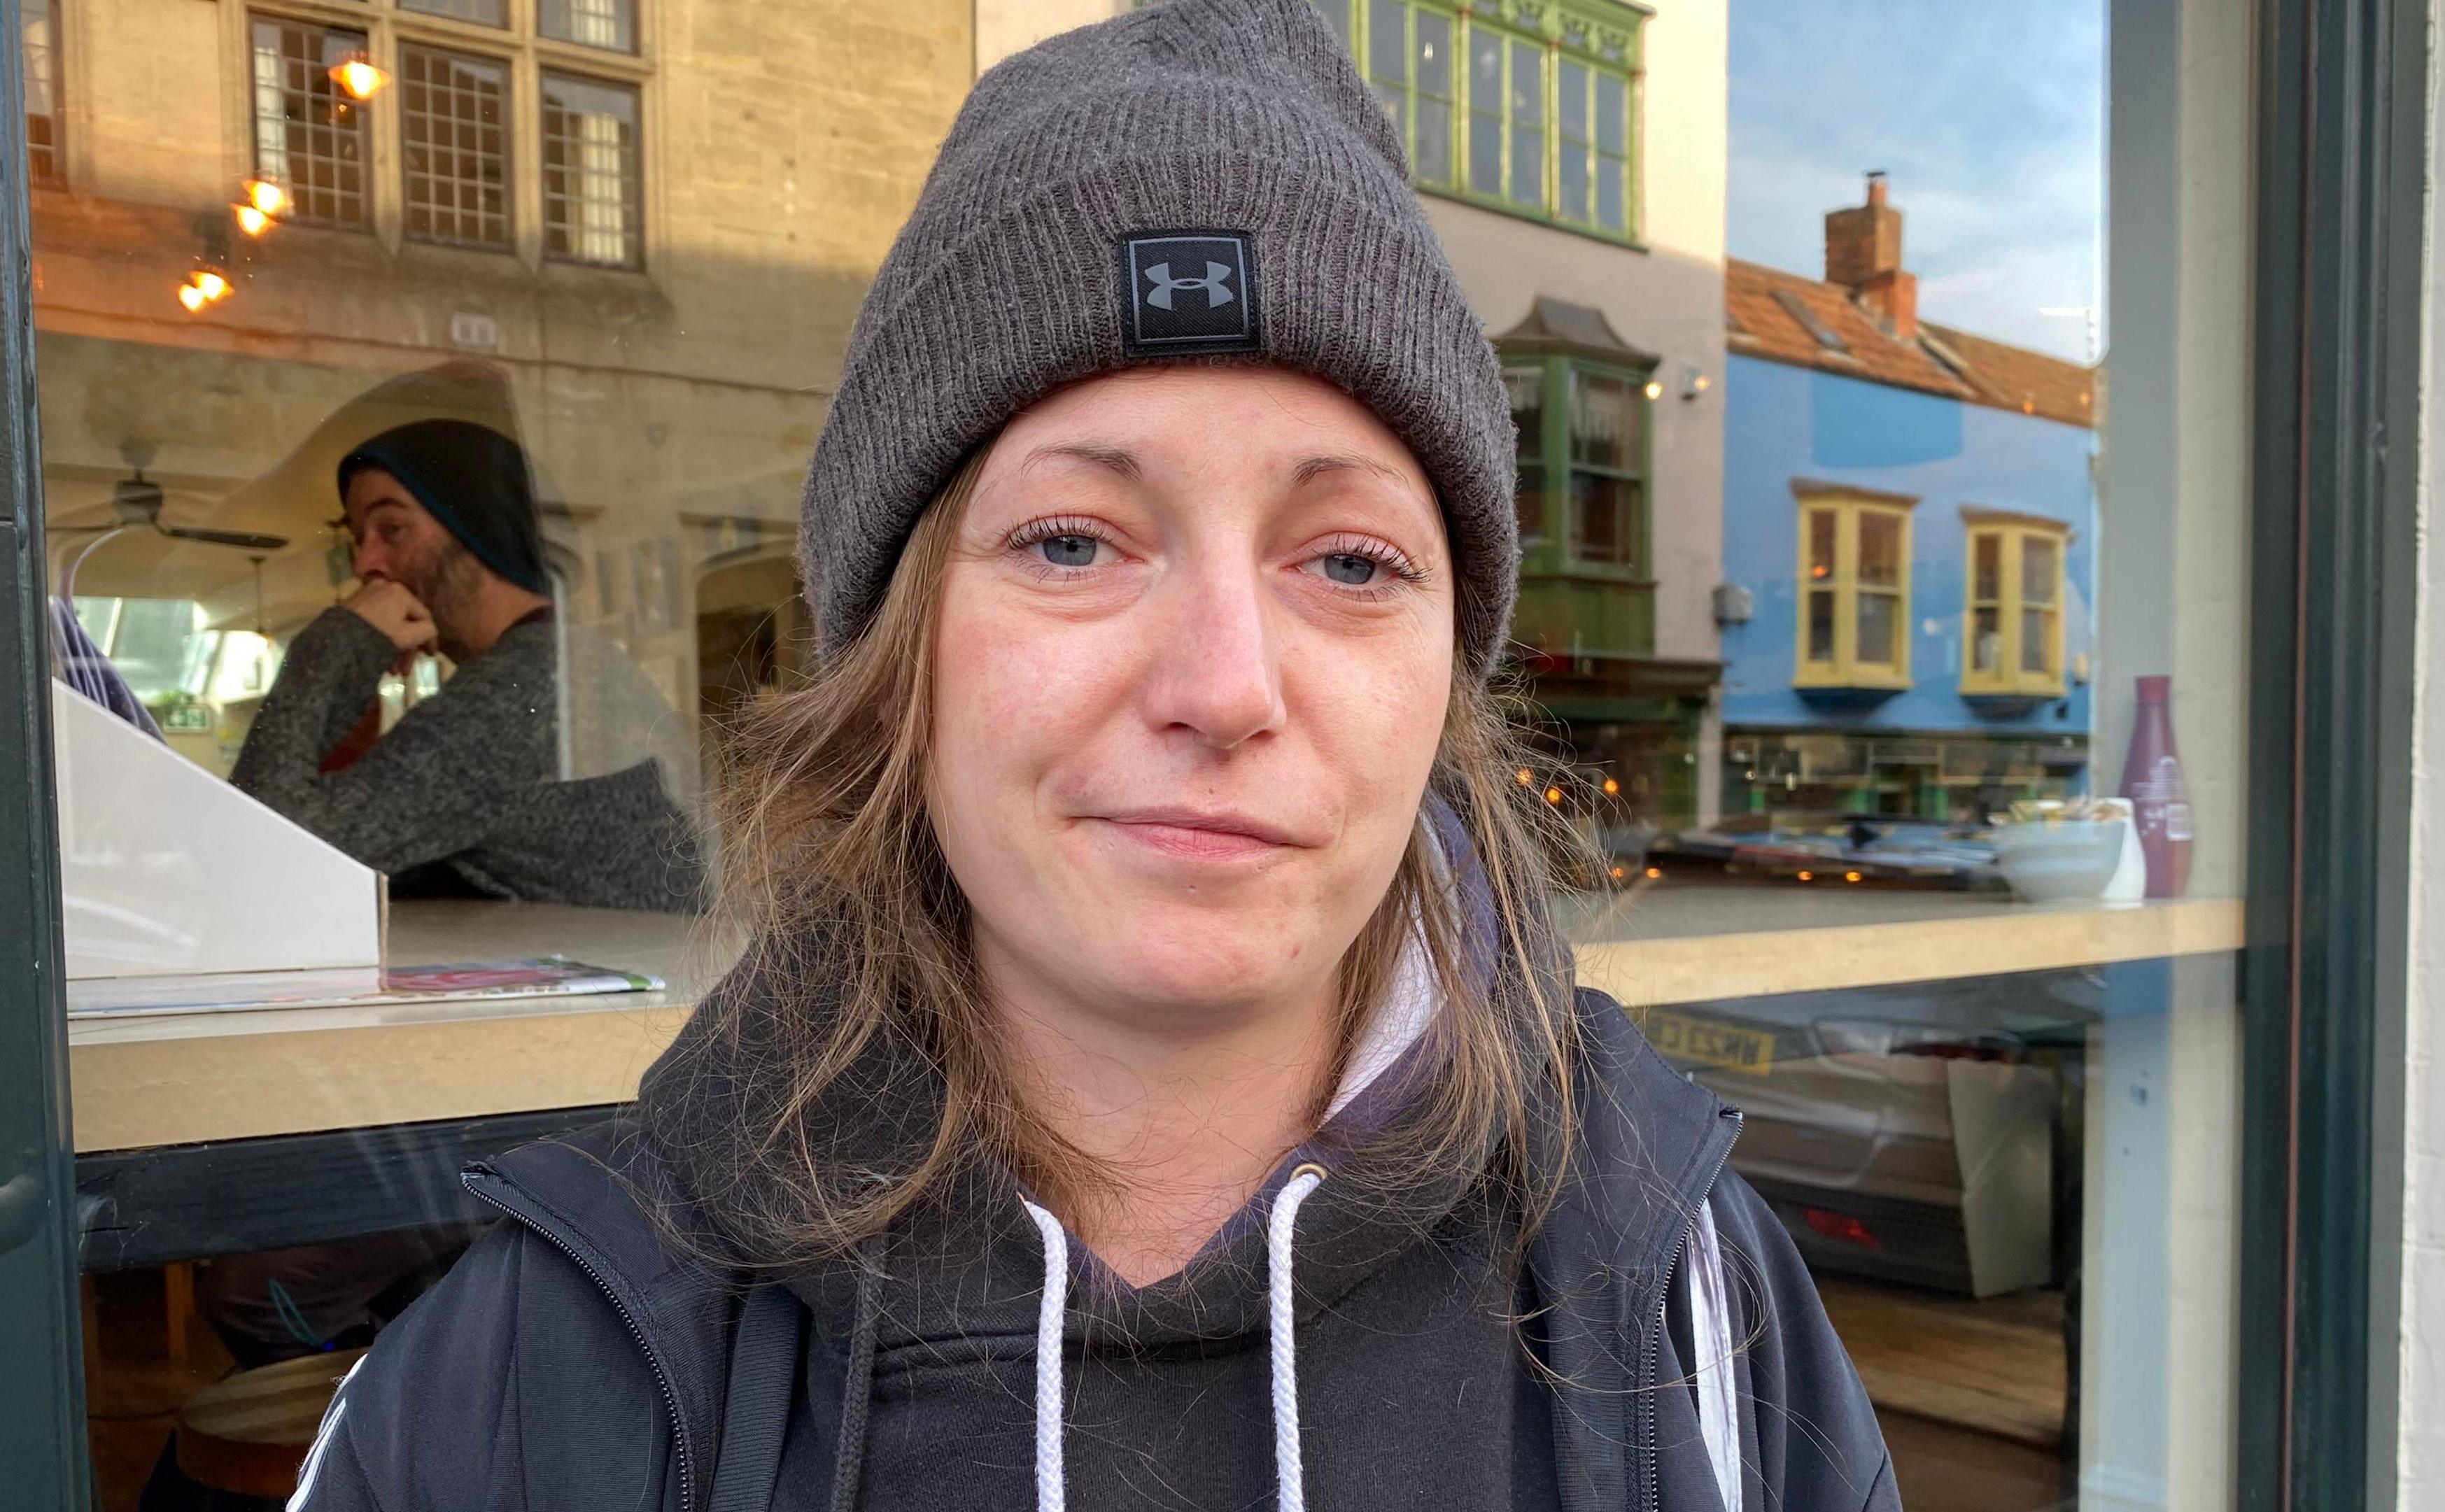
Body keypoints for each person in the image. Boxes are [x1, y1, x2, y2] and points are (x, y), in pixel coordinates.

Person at [283, 3, 1899, 1509]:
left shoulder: (1684, 1302)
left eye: (1347, 560)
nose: (1221, 684)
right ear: (899, 659)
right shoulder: (556, 1363)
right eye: (1073, 539)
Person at [229, 416, 705, 912]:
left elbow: (262, 860)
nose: (364, 564)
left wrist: (333, 644)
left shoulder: (521, 689)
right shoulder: (561, 665)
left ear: (478, 530)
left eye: (392, 529)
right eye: (358, 537)